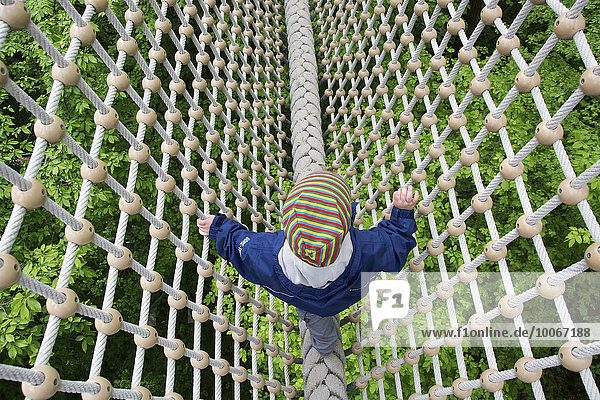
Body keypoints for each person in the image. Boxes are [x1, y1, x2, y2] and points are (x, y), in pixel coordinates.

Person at [198, 170, 418, 356]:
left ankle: (325, 346)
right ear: (347, 221)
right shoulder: (367, 246)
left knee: (317, 323)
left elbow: (239, 246)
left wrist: (219, 229)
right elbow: (396, 246)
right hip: (353, 289)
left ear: (288, 225)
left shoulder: (264, 254)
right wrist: (402, 212)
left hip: (309, 303)